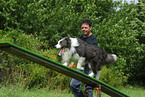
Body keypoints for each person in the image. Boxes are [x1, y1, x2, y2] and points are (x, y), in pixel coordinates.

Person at [70, 19, 98, 97]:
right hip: (81, 66)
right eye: (82, 28)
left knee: (88, 88)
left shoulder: (93, 41)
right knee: (73, 85)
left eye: (86, 28)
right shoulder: (81, 37)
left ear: (90, 28)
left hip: (89, 67)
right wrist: (73, 61)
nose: (84, 29)